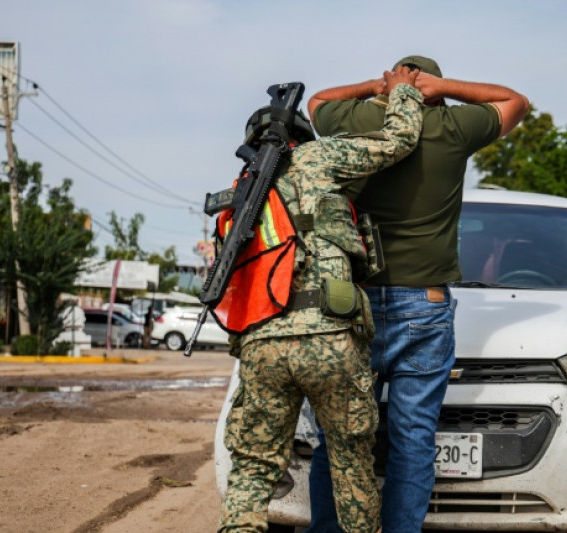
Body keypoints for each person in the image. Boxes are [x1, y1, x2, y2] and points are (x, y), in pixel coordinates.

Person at [306, 56, 529, 533]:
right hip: (424, 308)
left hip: (355, 304)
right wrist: (441, 87)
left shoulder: (360, 121)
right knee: (413, 440)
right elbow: (516, 101)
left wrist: (378, 86)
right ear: (433, 93)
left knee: (340, 438)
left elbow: (317, 101)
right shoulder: (453, 127)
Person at [218, 66, 424, 533]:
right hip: (329, 336)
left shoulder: (238, 196)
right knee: (350, 462)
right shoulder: (318, 158)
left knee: (253, 466)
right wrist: (402, 94)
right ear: (302, 136)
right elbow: (399, 142)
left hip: (261, 344)